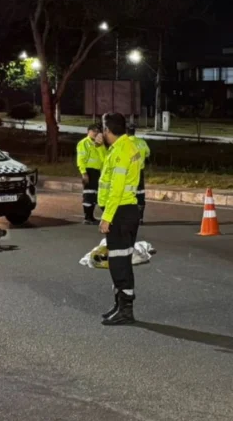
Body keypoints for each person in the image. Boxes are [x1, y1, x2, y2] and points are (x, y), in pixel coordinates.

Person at [98, 112, 143, 326]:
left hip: (120, 212)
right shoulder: (124, 146)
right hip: (126, 210)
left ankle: (126, 310)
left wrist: (107, 217)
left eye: (103, 129)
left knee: (119, 263)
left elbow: (116, 189)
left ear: (108, 130)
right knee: (119, 261)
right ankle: (120, 305)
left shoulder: (120, 152)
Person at [76, 123, 105, 225]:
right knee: (88, 193)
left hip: (98, 172)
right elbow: (81, 159)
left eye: (97, 131)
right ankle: (87, 217)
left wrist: (99, 146)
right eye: (93, 131)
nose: (95, 133)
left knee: (95, 194)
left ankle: (91, 217)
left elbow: (104, 158)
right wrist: (84, 173)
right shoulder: (83, 143)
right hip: (88, 171)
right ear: (88, 132)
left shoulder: (100, 144)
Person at [126, 124, 151, 224]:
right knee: (140, 194)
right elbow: (148, 153)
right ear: (134, 131)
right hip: (139, 172)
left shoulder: (124, 143)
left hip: (128, 173)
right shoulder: (142, 142)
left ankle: (129, 218)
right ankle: (140, 218)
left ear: (126, 132)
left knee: (128, 194)